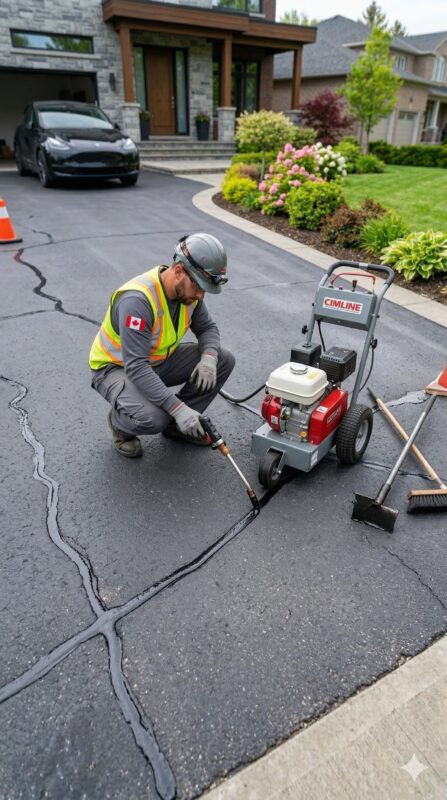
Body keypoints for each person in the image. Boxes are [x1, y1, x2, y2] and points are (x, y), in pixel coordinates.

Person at [89, 233, 235, 457]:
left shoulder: (190, 295)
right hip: (116, 368)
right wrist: (176, 407)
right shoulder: (138, 301)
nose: (201, 295)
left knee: (223, 359)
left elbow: (207, 329)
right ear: (178, 271)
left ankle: (178, 426)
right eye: (199, 286)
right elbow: (136, 367)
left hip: (156, 362)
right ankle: (120, 424)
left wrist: (208, 358)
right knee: (154, 418)